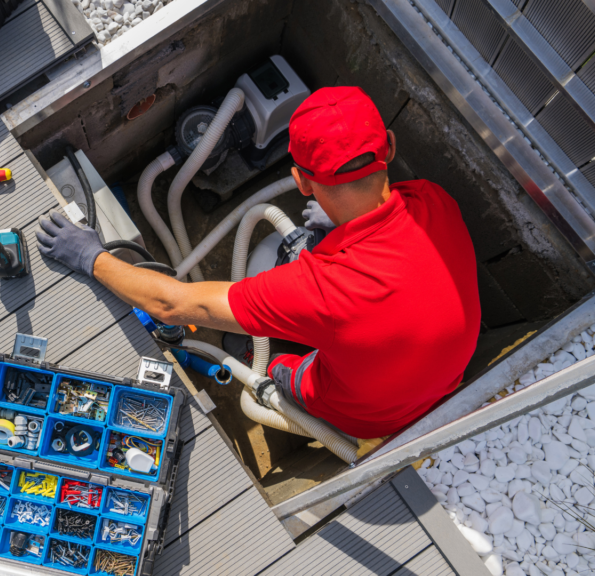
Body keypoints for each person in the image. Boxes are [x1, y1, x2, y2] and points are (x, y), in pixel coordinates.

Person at [35, 86, 481, 440]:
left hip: (367, 416)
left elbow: (172, 305)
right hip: (445, 380)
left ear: (302, 182)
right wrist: (338, 223)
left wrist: (90, 256)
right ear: (388, 147)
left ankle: (251, 355)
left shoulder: (320, 291)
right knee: (299, 252)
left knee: (277, 282)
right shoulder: (432, 201)